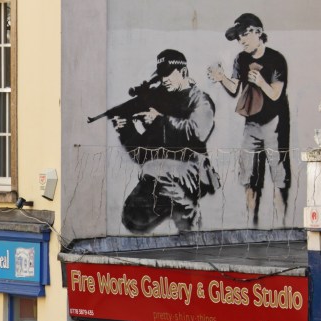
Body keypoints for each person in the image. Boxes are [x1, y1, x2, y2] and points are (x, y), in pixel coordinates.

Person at [109, 49, 220, 234]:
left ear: (183, 72)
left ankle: (187, 209)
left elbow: (198, 132)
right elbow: (142, 153)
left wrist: (161, 120)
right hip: (162, 170)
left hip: (192, 169)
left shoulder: (200, 100)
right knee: (131, 215)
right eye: (161, 75)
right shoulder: (161, 102)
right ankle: (179, 206)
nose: (164, 79)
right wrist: (125, 129)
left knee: (155, 172)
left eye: (168, 74)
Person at [207, 13, 290, 226]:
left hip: (274, 124)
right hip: (251, 123)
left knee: (278, 174)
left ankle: (282, 224)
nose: (241, 40)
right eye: (238, 37)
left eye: (244, 34)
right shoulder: (241, 59)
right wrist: (222, 78)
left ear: (258, 32)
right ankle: (249, 224)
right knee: (248, 175)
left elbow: (275, 95)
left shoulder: (276, 59)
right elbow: (235, 88)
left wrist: (261, 82)